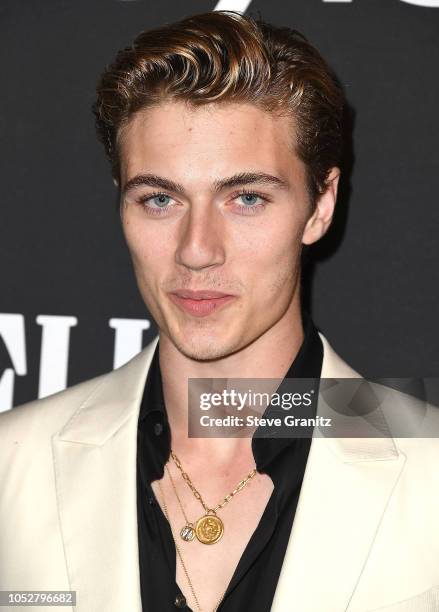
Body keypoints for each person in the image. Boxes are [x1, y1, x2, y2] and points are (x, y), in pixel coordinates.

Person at [1, 10, 438, 612]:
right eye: (159, 199)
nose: (196, 249)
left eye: (247, 198)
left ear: (320, 206)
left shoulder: (429, 471)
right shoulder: (11, 468)